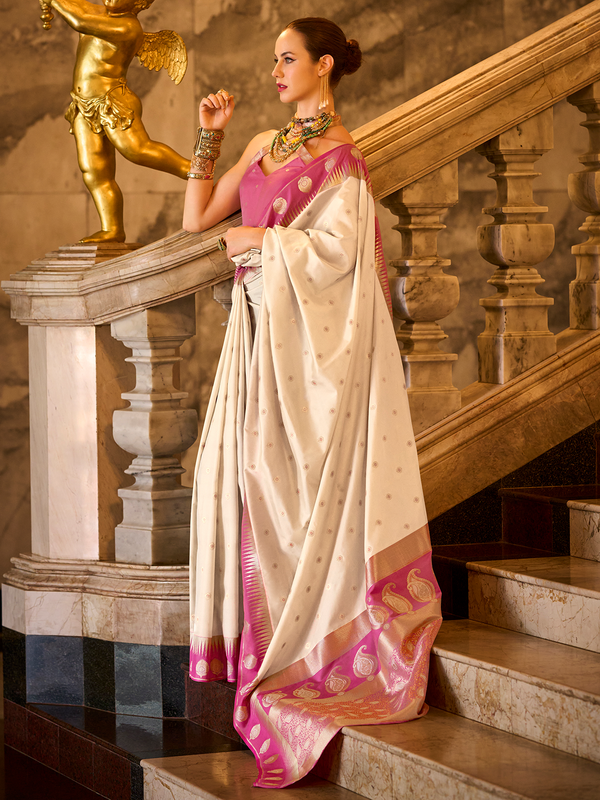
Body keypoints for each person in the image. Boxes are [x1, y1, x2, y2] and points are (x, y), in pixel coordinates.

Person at [183, 17, 442, 789]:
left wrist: (263, 243)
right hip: (257, 340)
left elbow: (339, 258)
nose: (276, 70)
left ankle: (311, 645)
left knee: (281, 484)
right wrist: (210, 139)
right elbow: (198, 218)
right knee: (240, 480)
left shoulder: (343, 161)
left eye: (288, 58)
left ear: (324, 65)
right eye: (274, 59)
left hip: (301, 349)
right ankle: (261, 641)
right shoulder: (263, 143)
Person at [42, 0, 189, 242]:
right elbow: (77, 8)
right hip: (83, 104)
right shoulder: (95, 11)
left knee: (137, 150)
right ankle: (112, 229)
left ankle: (193, 171)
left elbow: (80, 21)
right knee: (93, 170)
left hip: (113, 101)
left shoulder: (128, 27)